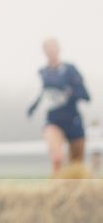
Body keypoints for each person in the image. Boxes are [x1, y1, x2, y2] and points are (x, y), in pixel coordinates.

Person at [27, 39, 91, 178]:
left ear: (58, 49)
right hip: (53, 121)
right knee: (58, 159)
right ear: (44, 52)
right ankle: (56, 192)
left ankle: (75, 193)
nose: (50, 51)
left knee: (77, 166)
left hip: (73, 120)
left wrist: (70, 92)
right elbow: (41, 94)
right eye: (47, 49)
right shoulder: (43, 72)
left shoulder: (70, 70)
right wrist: (32, 108)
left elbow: (86, 95)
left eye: (53, 48)